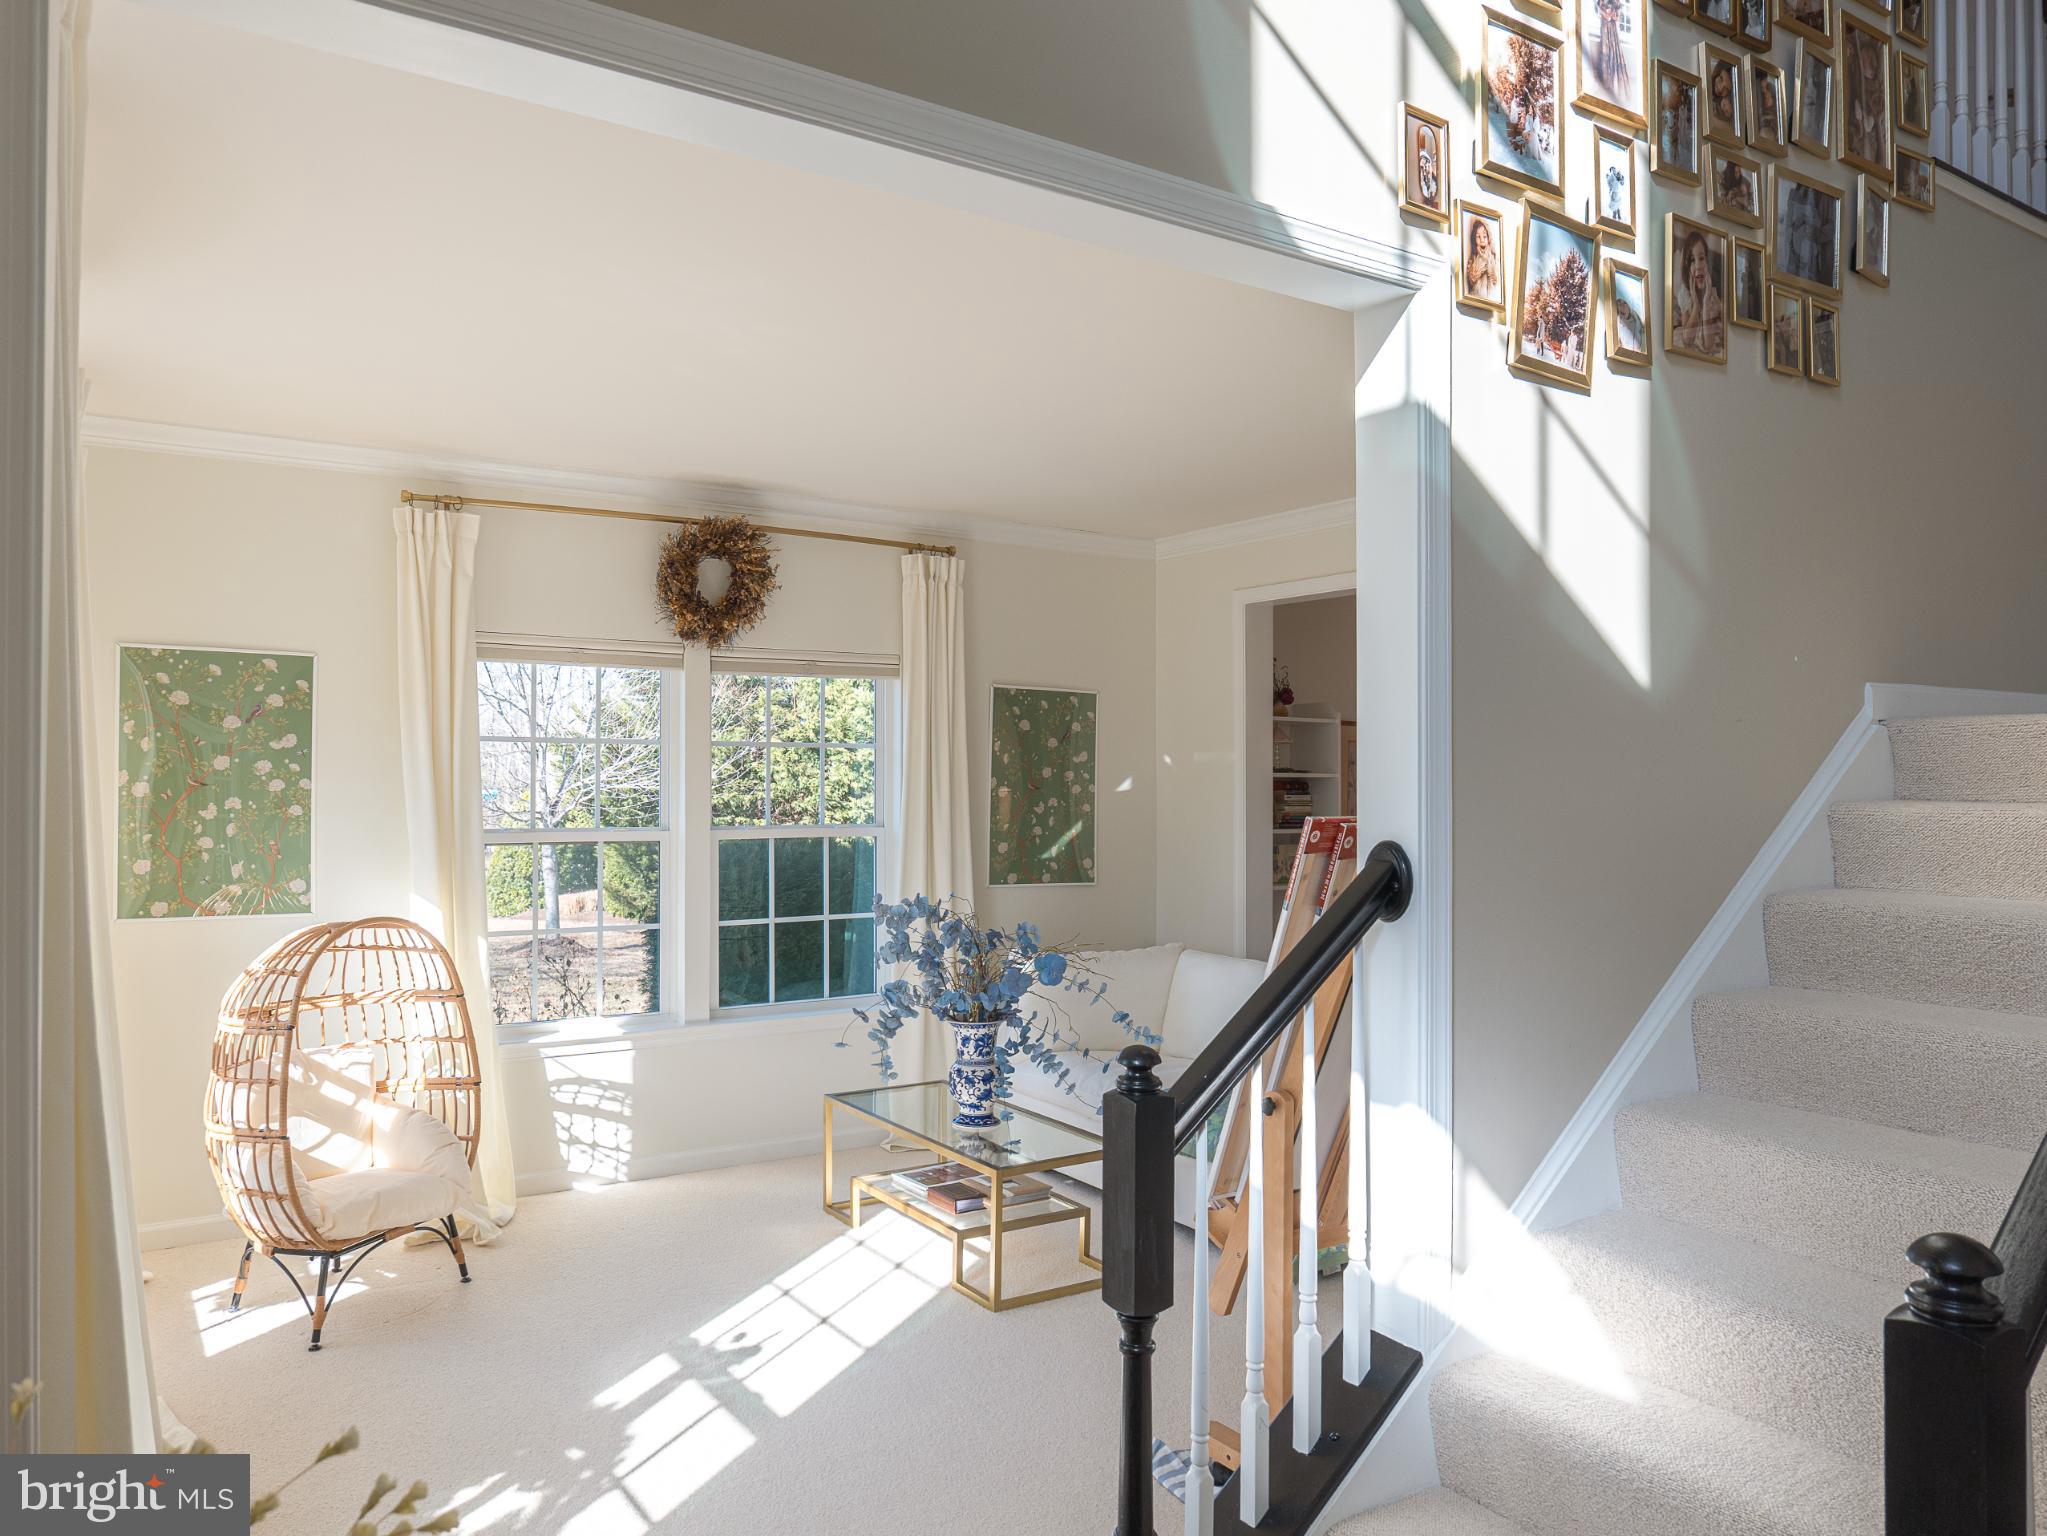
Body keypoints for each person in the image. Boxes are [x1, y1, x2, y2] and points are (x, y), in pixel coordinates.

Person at [1671, 228, 1724, 353]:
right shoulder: (1684, 293)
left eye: (1701, 258)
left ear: (1707, 260)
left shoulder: (1713, 295)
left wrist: (1705, 304)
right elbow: (1688, 340)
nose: (1698, 265)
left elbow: (1708, 345)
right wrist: (1695, 306)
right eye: (1692, 261)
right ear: (1687, 266)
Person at [1847, 35, 1887, 164]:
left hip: (1870, 122)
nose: (1866, 60)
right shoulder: (1857, 79)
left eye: (1870, 58)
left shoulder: (1874, 85)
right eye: (1866, 58)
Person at [1464, 213, 1500, 302]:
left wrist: (1488, 259)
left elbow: (1496, 279)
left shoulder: (1493, 257)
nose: (1482, 240)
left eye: (1484, 236)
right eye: (1478, 237)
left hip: (1491, 297)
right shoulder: (1473, 257)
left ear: (1488, 238)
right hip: (1477, 296)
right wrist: (1481, 259)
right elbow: (1472, 278)